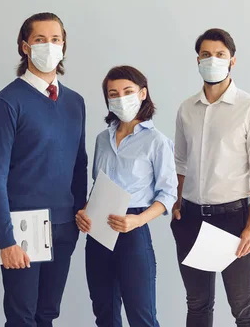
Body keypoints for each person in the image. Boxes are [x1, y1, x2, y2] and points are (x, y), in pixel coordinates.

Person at [0, 12, 88, 327]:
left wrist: (78, 212)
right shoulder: (5, 104)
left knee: (47, 315)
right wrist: (6, 239)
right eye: (40, 39)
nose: (49, 46)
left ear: (64, 45)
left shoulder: (75, 102)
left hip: (64, 226)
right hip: (22, 228)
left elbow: (78, 163)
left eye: (55, 39)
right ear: (25, 46)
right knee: (22, 317)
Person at [171, 28, 250, 327]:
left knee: (244, 310)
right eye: (206, 55)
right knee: (198, 305)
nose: (212, 60)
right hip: (191, 218)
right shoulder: (186, 109)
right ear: (197, 60)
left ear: (232, 61)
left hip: (233, 220)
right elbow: (180, 162)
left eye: (220, 55)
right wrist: (177, 205)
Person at [75, 65, 178, 327]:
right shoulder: (101, 139)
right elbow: (98, 185)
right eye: (113, 93)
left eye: (127, 91)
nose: (120, 98)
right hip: (98, 232)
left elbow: (167, 194)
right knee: (105, 315)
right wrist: (84, 212)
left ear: (142, 93)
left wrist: (138, 221)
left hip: (132, 229)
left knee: (141, 317)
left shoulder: (157, 141)